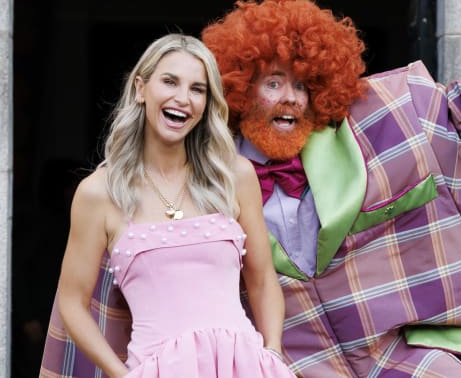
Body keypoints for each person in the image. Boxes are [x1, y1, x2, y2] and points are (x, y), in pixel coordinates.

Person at [42, 0, 461, 377]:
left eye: (302, 84)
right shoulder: (211, 177)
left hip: (400, 346)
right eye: (271, 82)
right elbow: (113, 289)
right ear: (240, 85)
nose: (288, 99)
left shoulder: (383, 124)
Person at [45, 34, 296, 378]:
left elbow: (263, 279)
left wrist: (272, 352)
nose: (183, 98)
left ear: (208, 103)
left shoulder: (235, 176)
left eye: (198, 89)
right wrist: (121, 375)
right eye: (169, 81)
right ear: (140, 89)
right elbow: (72, 303)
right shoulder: (98, 193)